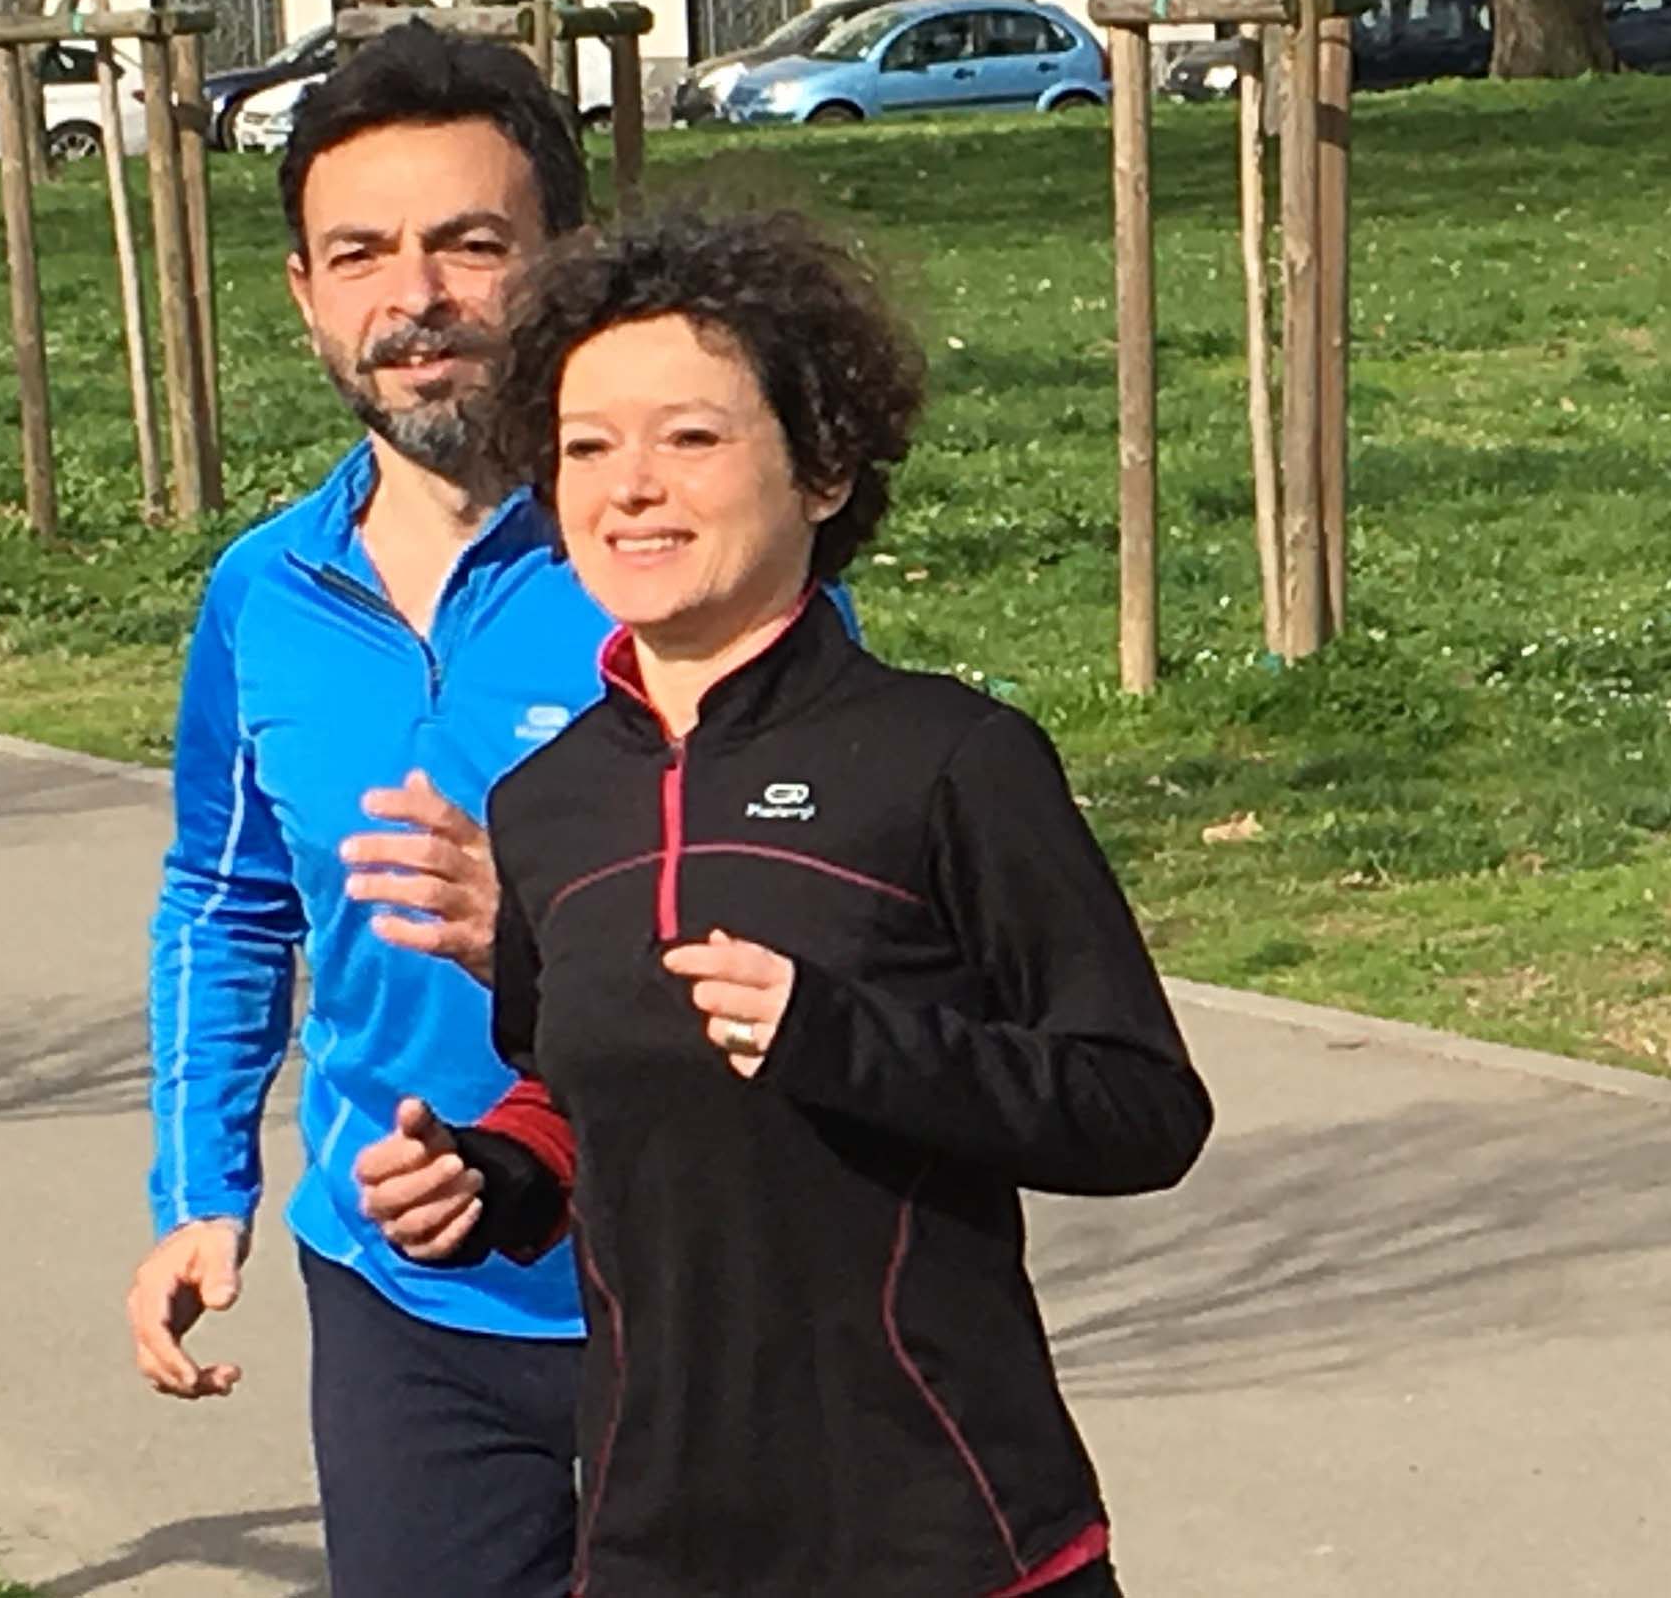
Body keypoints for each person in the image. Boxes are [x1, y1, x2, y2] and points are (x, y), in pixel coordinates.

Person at [354, 209, 1215, 1597]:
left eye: (689, 438)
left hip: (948, 1536)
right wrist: (488, 1174)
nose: (629, 486)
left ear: (820, 468)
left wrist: (845, 1039)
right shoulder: (551, 805)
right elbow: (570, 1092)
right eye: (585, 447)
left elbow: (1140, 1107)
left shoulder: (951, 760)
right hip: (656, 1537)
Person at [131, 22, 606, 1597]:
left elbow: (831, 888)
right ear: (306, 295)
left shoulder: (672, 551)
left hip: (679, 1285)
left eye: (472, 245)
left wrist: (535, 924)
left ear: (563, 263)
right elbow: (225, 893)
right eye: (361, 254)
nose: (416, 299)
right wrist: (204, 1188)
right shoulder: (264, 590)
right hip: (399, 1299)